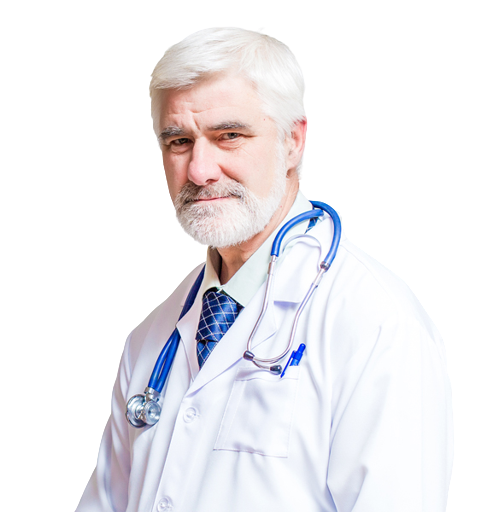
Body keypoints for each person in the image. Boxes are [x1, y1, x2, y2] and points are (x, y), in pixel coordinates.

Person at [76, 26, 454, 512]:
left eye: (229, 136)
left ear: (293, 141)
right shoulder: (151, 338)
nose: (199, 170)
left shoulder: (375, 322)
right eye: (179, 141)